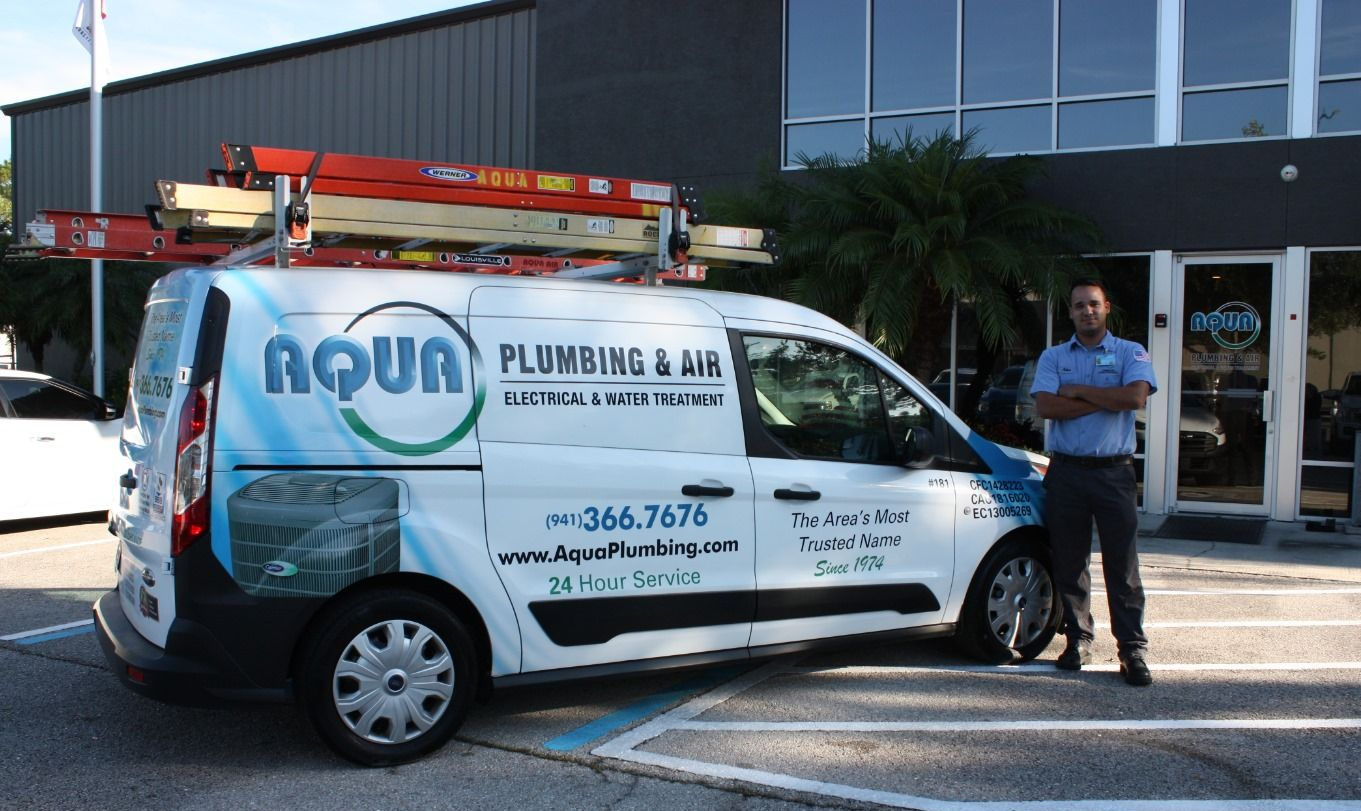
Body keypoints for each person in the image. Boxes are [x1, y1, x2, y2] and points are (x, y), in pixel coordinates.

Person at [1030, 279, 1157, 686]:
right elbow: (1047, 406)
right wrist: (1106, 396)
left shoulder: (1129, 352)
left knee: (1123, 567)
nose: (1087, 311)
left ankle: (1132, 650)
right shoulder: (1053, 356)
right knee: (1070, 562)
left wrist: (1080, 392)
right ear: (1070, 311)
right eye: (1080, 305)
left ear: (1107, 308)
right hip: (1067, 472)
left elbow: (1135, 399)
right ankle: (1078, 639)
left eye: (1094, 304)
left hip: (1113, 473)